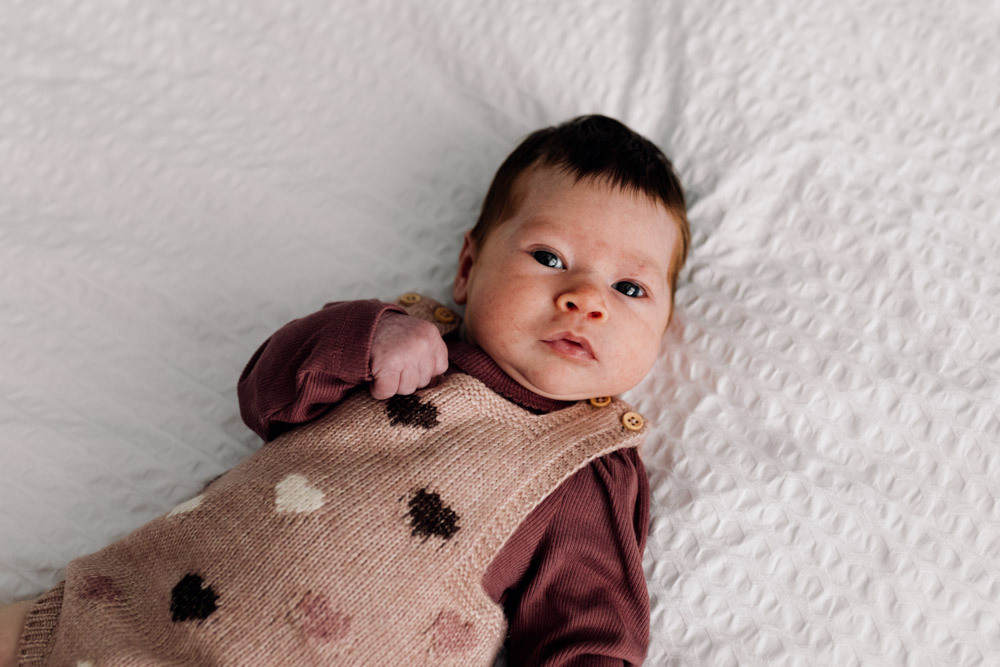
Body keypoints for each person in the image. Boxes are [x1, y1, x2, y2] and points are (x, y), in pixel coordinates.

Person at [1, 114, 690, 666]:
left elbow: (589, 635)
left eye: (629, 288)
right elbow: (265, 395)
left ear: (663, 325)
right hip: (132, 609)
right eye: (549, 258)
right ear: (469, 264)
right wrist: (371, 335)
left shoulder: (580, 470)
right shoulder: (401, 344)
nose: (582, 299)